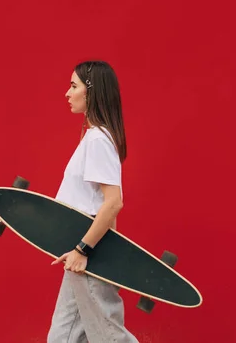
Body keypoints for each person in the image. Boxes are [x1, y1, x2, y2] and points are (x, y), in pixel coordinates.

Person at [47, 61, 138, 343]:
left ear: (92, 92)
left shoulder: (98, 139)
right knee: (62, 338)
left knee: (109, 338)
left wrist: (85, 250)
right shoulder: (93, 137)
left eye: (74, 86)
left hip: (87, 255)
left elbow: (113, 203)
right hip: (81, 256)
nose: (67, 93)